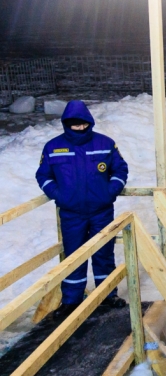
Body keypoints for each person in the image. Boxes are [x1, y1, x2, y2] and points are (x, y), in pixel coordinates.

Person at [36, 100, 129, 319]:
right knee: (74, 256)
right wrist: (59, 195)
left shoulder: (105, 143)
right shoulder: (53, 147)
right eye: (75, 124)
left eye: (83, 123)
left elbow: (120, 169)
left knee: (103, 254)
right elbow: (43, 175)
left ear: (89, 121)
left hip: (101, 211)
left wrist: (109, 192)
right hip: (71, 213)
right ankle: (71, 301)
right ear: (66, 124)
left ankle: (108, 295)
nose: (80, 128)